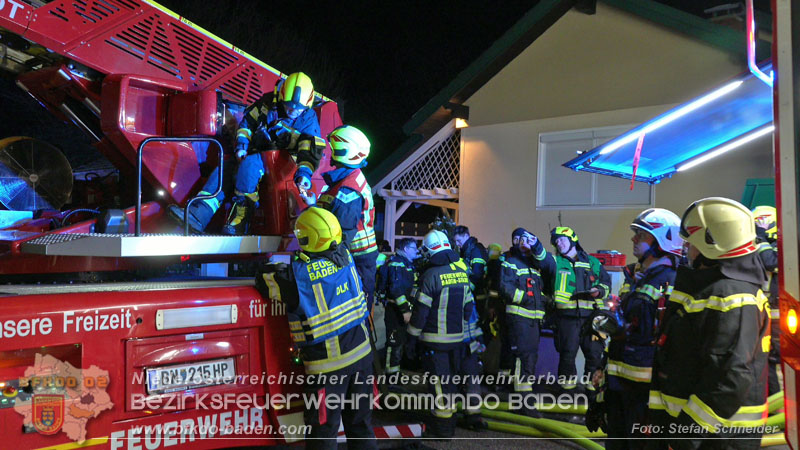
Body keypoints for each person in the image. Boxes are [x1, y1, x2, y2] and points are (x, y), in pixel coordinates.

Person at [648, 197, 770, 449]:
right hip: (704, 432)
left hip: (716, 437)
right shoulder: (713, 287)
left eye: (690, 242)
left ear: (710, 244)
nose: (686, 249)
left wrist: (684, 436)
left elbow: (729, 379)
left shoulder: (732, 297)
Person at [254, 207, 376, 450]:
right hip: (362, 358)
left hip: (328, 369)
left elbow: (262, 281)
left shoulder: (296, 278)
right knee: (360, 426)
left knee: (323, 431)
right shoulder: (346, 256)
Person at [169, 72, 325, 234]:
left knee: (250, 166)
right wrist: (241, 146)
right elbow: (247, 124)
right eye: (289, 105)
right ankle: (198, 214)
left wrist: (304, 173)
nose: (293, 110)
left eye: (298, 108)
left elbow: (309, 150)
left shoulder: (309, 121)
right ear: (281, 95)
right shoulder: (267, 103)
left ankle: (241, 219)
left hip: (282, 164)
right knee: (226, 168)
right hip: (257, 152)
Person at [587, 209, 681, 449]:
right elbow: (624, 332)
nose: (634, 239)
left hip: (646, 393)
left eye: (641, 234)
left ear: (663, 240)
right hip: (620, 385)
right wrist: (602, 369)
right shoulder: (638, 278)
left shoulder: (672, 281)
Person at [404, 230, 475, 439]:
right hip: (457, 341)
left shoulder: (430, 276)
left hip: (434, 342)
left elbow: (420, 314)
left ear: (428, 251)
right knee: (450, 382)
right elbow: (468, 308)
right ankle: (449, 421)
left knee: (439, 385)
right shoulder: (461, 273)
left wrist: (411, 337)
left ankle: (442, 430)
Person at [301, 125, 379, 313]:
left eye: (332, 149)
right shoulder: (347, 180)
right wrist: (313, 205)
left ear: (342, 152)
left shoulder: (348, 189)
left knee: (355, 311)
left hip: (353, 258)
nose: (329, 154)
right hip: (356, 257)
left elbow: (338, 234)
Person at [497, 227, 556, 415]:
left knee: (530, 357)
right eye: (519, 240)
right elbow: (506, 289)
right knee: (524, 357)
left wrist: (537, 246)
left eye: (526, 240)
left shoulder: (535, 264)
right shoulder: (511, 262)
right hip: (520, 317)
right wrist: (529, 299)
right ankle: (523, 400)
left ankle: (522, 396)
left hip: (534, 320)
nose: (523, 244)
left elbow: (551, 267)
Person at [545, 226, 610, 394]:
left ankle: (592, 390)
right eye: (556, 241)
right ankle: (567, 391)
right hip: (567, 317)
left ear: (573, 240)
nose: (559, 244)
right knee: (567, 354)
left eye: (562, 239)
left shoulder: (592, 262)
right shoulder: (555, 262)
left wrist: (600, 291)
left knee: (594, 354)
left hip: (593, 317)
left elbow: (606, 283)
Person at [752, 205, 780, 396]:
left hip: (779, 315)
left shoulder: (777, 246)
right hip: (765, 313)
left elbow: (771, 262)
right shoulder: (762, 245)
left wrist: (761, 238)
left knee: (775, 361)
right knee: (766, 360)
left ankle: (781, 410)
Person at [381, 238, 419, 376]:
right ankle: (390, 376)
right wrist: (405, 311)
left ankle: (396, 373)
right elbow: (396, 289)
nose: (416, 251)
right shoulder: (397, 263)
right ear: (405, 249)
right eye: (414, 248)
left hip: (402, 310)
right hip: (395, 311)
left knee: (399, 342)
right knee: (393, 343)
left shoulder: (407, 264)